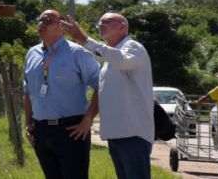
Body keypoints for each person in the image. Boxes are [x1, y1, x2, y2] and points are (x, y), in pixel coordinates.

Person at [62, 13, 154, 179]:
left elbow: (121, 60)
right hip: (116, 135)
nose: (101, 25)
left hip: (133, 134)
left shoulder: (133, 47)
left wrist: (84, 39)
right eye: (99, 22)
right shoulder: (108, 60)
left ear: (123, 26)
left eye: (107, 21)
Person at [23, 9, 101, 179]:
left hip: (71, 129)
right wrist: (28, 123)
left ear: (61, 25)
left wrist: (88, 120)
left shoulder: (77, 53)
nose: (41, 24)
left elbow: (101, 86)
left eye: (47, 20)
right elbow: (28, 92)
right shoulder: (32, 53)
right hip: (41, 130)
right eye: (40, 20)